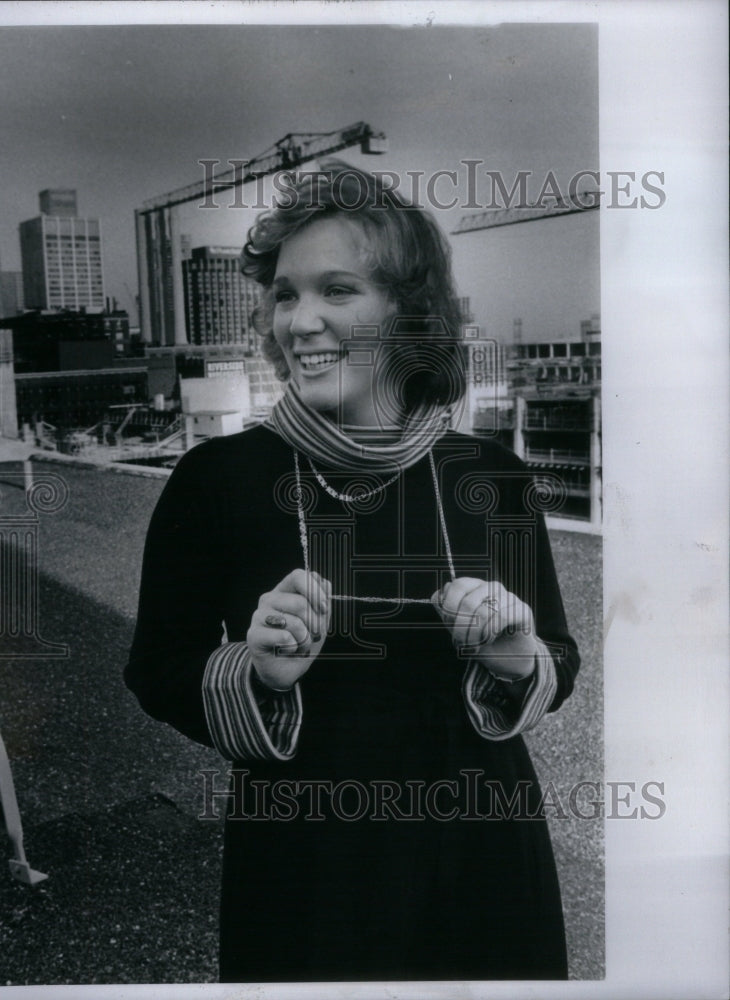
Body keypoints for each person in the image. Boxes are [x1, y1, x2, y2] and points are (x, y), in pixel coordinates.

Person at [125, 162, 580, 983]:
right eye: (287, 295)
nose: (300, 321)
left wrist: (516, 656)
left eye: (337, 291)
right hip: (308, 860)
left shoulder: (492, 475)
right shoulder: (216, 481)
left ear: (407, 313)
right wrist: (253, 671)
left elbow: (559, 654)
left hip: (485, 850)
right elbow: (156, 668)